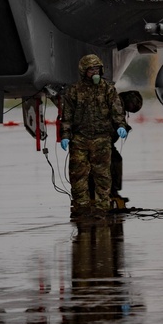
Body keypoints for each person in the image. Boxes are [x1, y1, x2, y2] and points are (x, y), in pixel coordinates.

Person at [60, 54, 128, 218]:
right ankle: (81, 208)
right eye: (91, 69)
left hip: (101, 139)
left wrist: (121, 125)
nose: (95, 72)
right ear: (84, 71)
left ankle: (101, 208)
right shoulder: (73, 91)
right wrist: (65, 135)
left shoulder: (108, 89)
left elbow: (117, 110)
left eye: (97, 68)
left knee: (102, 175)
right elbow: (67, 115)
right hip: (79, 139)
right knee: (78, 175)